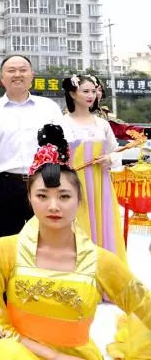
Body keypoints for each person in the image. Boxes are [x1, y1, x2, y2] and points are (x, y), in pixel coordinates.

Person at [0, 124, 151, 360]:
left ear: (79, 200)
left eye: (64, 196)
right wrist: (53, 357)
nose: (53, 206)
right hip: (19, 353)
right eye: (42, 196)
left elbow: (144, 308)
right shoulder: (6, 250)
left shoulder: (100, 261)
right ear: (30, 199)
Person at [0, 55, 62, 238]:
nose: (17, 75)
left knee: (45, 242)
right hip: (5, 185)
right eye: (11, 70)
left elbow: (62, 149)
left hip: (44, 183)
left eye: (23, 70)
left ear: (32, 75)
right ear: (2, 78)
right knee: (7, 243)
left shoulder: (49, 108)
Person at [59, 74, 126, 262]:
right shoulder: (62, 123)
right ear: (72, 93)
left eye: (94, 91)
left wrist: (110, 158)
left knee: (104, 229)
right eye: (85, 91)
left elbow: (117, 152)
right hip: (73, 186)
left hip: (100, 186)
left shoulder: (102, 124)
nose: (91, 95)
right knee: (76, 230)